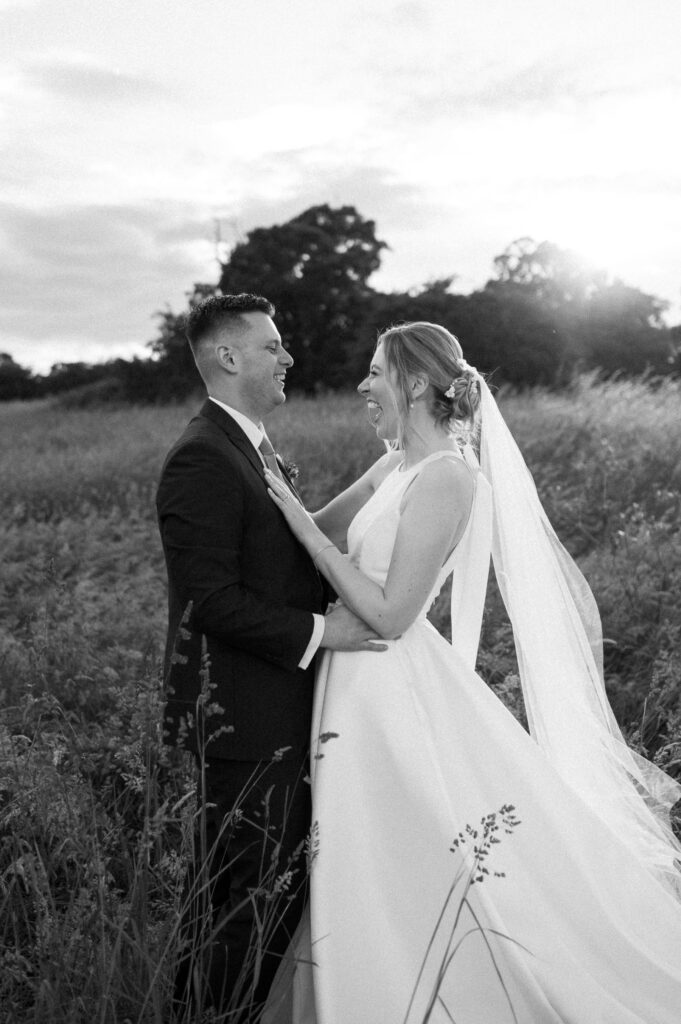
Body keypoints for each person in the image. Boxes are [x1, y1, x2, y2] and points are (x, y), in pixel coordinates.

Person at [262, 321, 681, 1023]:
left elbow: (393, 613)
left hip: (389, 680)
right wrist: (265, 479)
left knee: (395, 839)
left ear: (416, 383)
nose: (363, 387)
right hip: (350, 681)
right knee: (365, 848)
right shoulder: (395, 464)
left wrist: (305, 535)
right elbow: (322, 529)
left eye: (373, 372)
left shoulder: (450, 476)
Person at [155, 293, 385, 1023]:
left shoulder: (250, 446)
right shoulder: (203, 458)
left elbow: (283, 556)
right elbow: (210, 600)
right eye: (273, 347)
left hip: (275, 715)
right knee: (244, 906)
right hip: (243, 725)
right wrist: (325, 632)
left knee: (252, 900)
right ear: (227, 357)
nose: (288, 357)